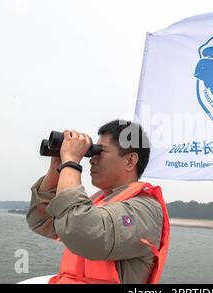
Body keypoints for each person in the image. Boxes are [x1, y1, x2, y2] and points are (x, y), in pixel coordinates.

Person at [26, 120, 170, 284]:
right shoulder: (99, 202)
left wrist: (71, 162)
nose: (92, 160)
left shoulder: (145, 210)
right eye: (91, 152)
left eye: (100, 152)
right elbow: (41, 220)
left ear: (130, 161)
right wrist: (56, 169)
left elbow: (80, 229)